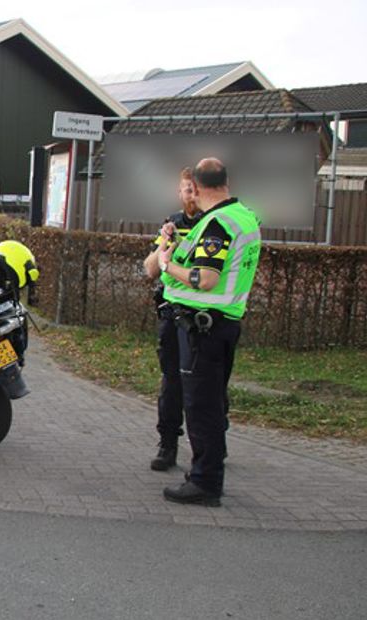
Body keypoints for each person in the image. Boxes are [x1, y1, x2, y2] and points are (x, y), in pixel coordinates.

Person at [156, 158, 262, 506]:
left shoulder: (216, 224)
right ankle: (209, 473)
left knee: (200, 406)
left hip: (203, 327)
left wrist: (168, 265)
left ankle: (204, 482)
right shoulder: (245, 216)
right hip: (224, 323)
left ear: (198, 188)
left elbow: (206, 278)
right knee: (213, 403)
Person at [142, 168, 203, 471]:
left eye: (193, 189)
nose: (189, 195)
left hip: (205, 318)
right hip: (172, 314)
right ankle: (168, 444)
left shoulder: (214, 225)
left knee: (207, 385)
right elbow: (151, 269)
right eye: (185, 190)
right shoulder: (173, 224)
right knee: (172, 382)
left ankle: (211, 444)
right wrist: (166, 244)